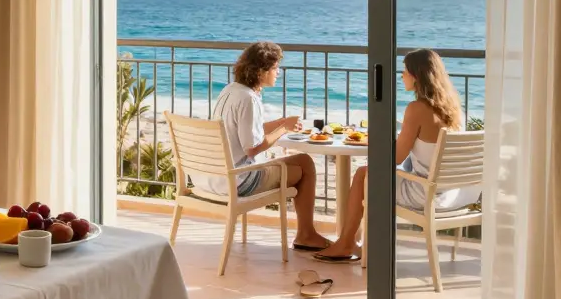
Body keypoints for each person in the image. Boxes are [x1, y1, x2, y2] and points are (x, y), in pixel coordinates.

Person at [315, 48, 478, 263]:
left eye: (404, 71)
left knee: (364, 174)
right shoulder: (455, 109)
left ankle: (346, 243)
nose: (401, 76)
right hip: (456, 193)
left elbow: (396, 158)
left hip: (426, 194)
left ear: (416, 76)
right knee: (370, 174)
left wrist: (381, 141)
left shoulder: (417, 108)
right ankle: (352, 242)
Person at [200, 41, 331, 251]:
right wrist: (283, 130)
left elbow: (243, 128)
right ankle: (305, 235)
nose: (278, 72)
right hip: (241, 181)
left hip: (214, 178)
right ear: (260, 71)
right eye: (275, 68)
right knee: (305, 167)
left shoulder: (231, 90)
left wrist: (280, 122)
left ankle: (306, 234)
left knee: (303, 161)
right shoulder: (249, 99)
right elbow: (252, 148)